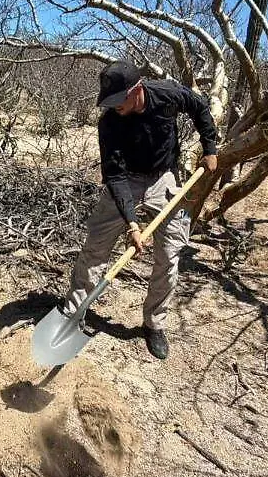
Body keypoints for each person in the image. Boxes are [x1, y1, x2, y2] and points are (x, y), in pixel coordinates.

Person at [62, 61, 218, 360]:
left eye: (119, 100)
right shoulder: (109, 122)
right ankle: (74, 311)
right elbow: (115, 176)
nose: (114, 107)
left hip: (164, 178)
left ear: (136, 91)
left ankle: (154, 324)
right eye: (109, 101)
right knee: (95, 248)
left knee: (170, 254)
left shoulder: (167, 93)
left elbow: (199, 107)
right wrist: (132, 225)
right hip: (126, 181)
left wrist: (209, 147)